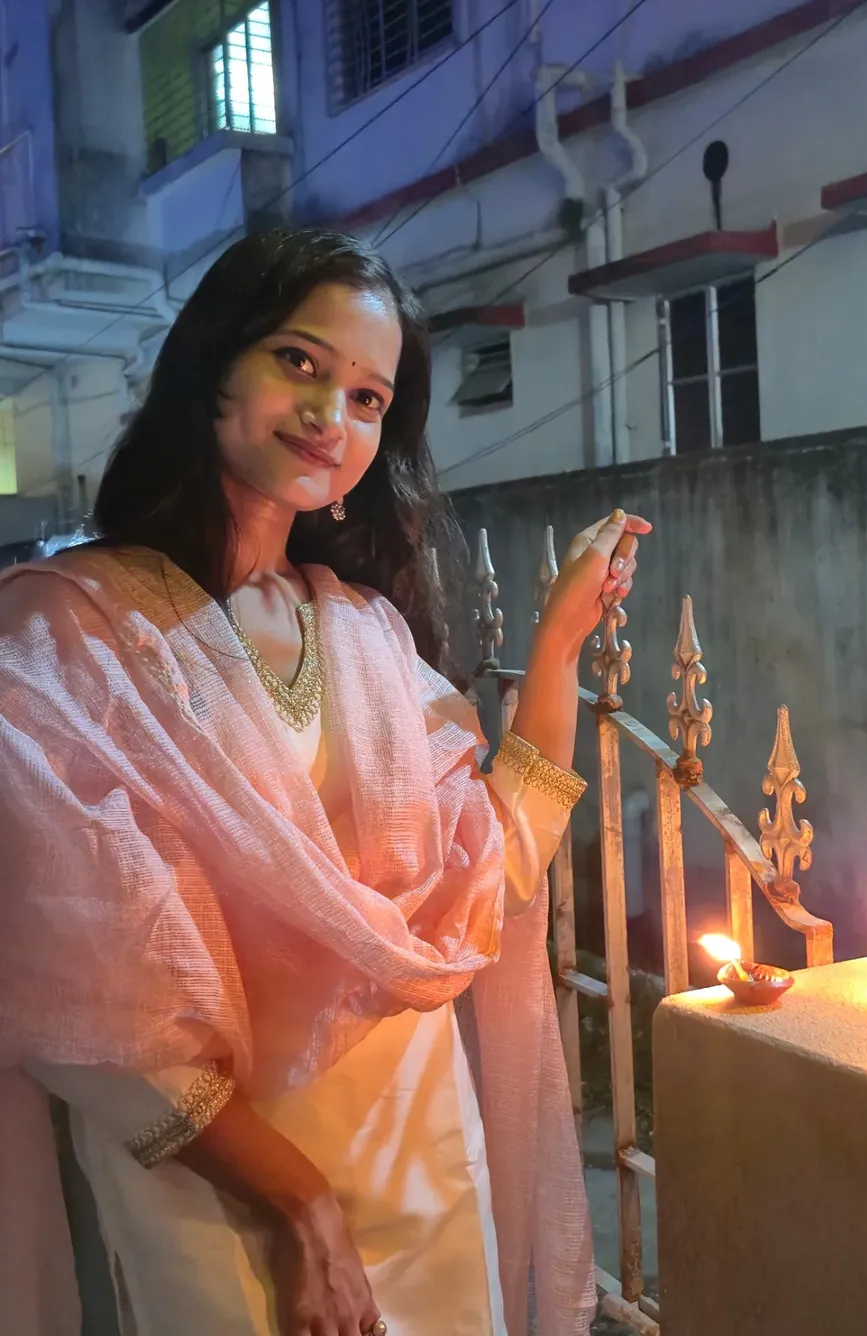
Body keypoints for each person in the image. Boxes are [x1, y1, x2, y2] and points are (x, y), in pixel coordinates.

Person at [0, 229, 650, 1336]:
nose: (327, 415)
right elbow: (88, 1002)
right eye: (298, 361)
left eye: (366, 397)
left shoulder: (364, 631)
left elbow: (491, 871)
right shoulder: (67, 637)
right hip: (223, 1190)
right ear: (215, 360)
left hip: (421, 1140)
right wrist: (299, 1208)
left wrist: (557, 649)